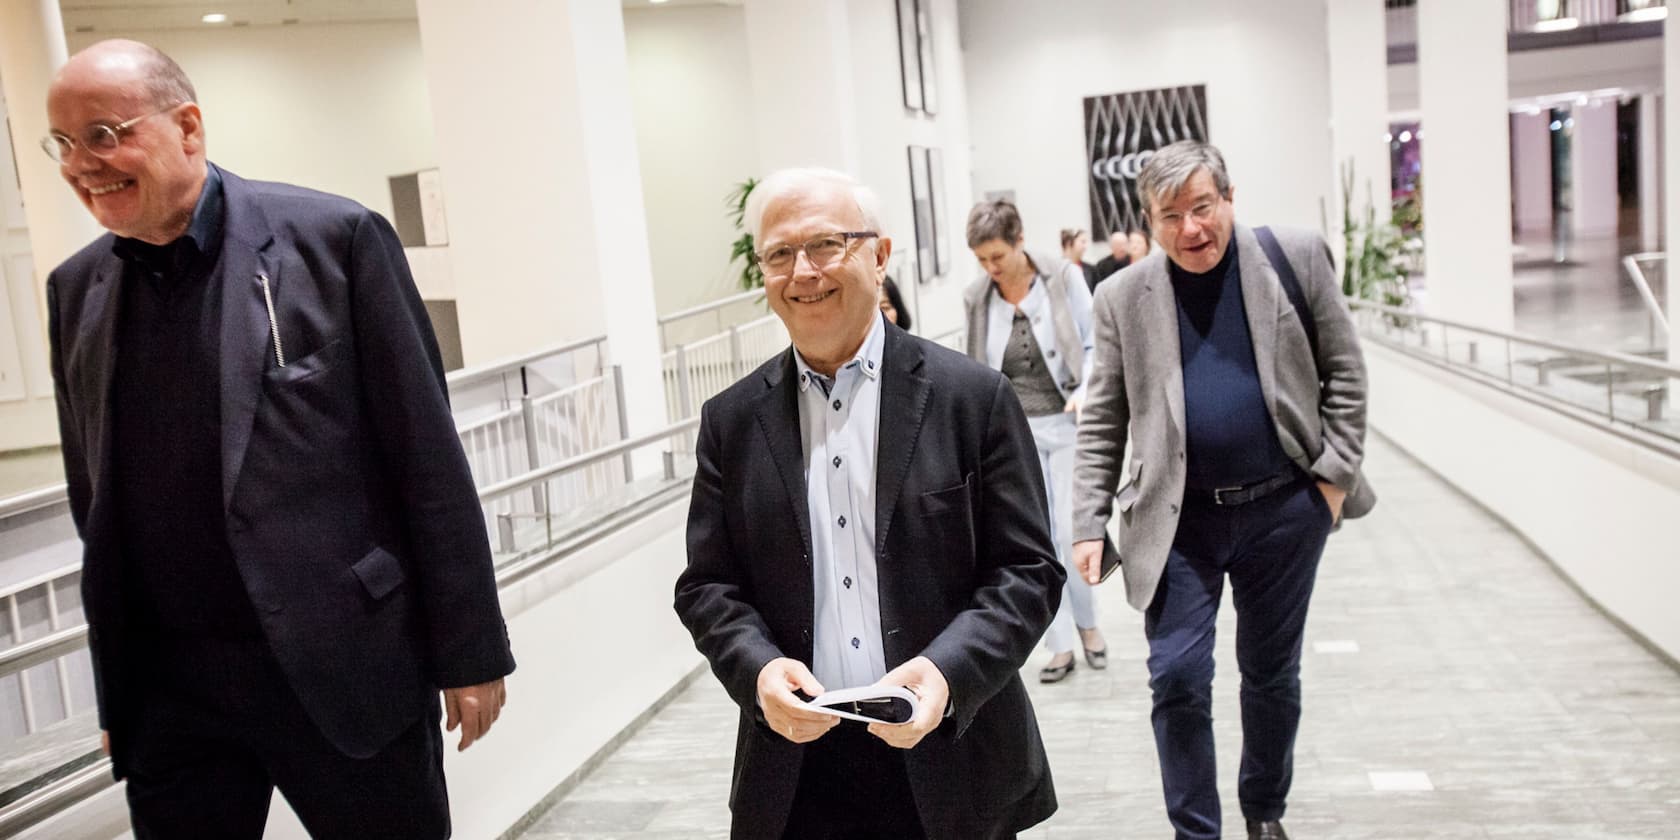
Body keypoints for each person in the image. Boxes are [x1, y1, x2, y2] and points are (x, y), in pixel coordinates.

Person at [43, 40, 513, 838]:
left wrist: (470, 650)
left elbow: (426, 458)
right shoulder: (75, 287)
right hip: (169, 689)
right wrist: (118, 685)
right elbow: (98, 502)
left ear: (187, 126)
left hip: (341, 663)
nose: (85, 163)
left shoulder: (335, 239)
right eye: (63, 143)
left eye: (106, 133)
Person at [674, 168, 1063, 839]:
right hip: (795, 775)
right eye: (778, 255)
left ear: (879, 256)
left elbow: (1027, 572)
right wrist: (759, 671)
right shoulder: (731, 422)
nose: (803, 272)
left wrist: (948, 672)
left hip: (950, 754)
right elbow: (709, 586)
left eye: (826, 245)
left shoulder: (972, 400)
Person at [1071, 140, 1375, 840]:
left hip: (1283, 511)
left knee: (1270, 674)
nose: (1191, 230)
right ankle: (1195, 832)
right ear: (1148, 222)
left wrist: (1330, 482)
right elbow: (1104, 416)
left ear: (1229, 199)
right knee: (1177, 677)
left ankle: (1264, 811)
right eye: (1170, 216)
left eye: (1203, 208)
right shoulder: (1122, 296)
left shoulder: (1294, 256)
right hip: (1178, 524)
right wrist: (1089, 518)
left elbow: (1347, 376)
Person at [964, 201, 1107, 684]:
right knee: (1036, 542)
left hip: (1067, 425)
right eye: (982, 260)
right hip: (1014, 437)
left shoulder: (1063, 280)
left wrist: (1087, 388)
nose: (990, 268)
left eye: (997, 256)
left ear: (1019, 240)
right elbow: (976, 370)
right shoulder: (977, 299)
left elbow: (1093, 344)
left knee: (1070, 535)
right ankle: (1060, 644)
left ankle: (1088, 624)